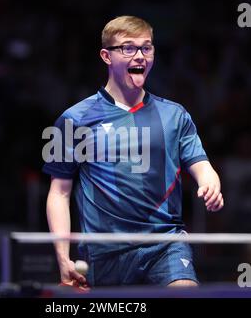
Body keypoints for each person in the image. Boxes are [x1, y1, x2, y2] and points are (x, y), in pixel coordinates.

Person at [43, 16, 224, 288]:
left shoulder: (175, 115)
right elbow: (59, 192)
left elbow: (201, 165)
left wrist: (210, 181)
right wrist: (62, 257)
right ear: (106, 56)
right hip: (103, 252)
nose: (140, 56)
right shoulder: (74, 119)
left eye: (146, 48)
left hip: (164, 243)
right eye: (128, 48)